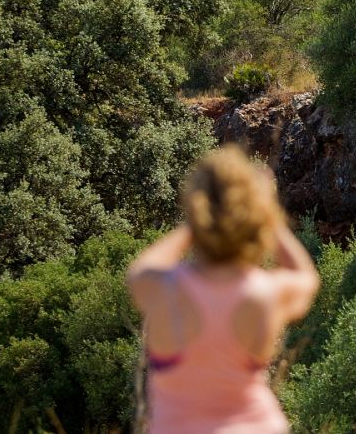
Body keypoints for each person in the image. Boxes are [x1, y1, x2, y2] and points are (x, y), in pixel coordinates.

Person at [128, 147, 320, 433]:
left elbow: (139, 270)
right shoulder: (265, 292)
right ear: (254, 217)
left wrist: (194, 226)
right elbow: (306, 277)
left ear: (196, 207)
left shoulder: (166, 289)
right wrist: (268, 213)